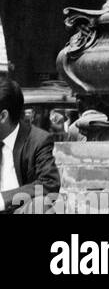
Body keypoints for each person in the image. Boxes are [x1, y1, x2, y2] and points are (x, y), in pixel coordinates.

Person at [0, 78, 60, 214]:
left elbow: (49, 183)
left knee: (42, 205)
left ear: (3, 116)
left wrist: (4, 199)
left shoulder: (37, 140)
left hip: (19, 209)